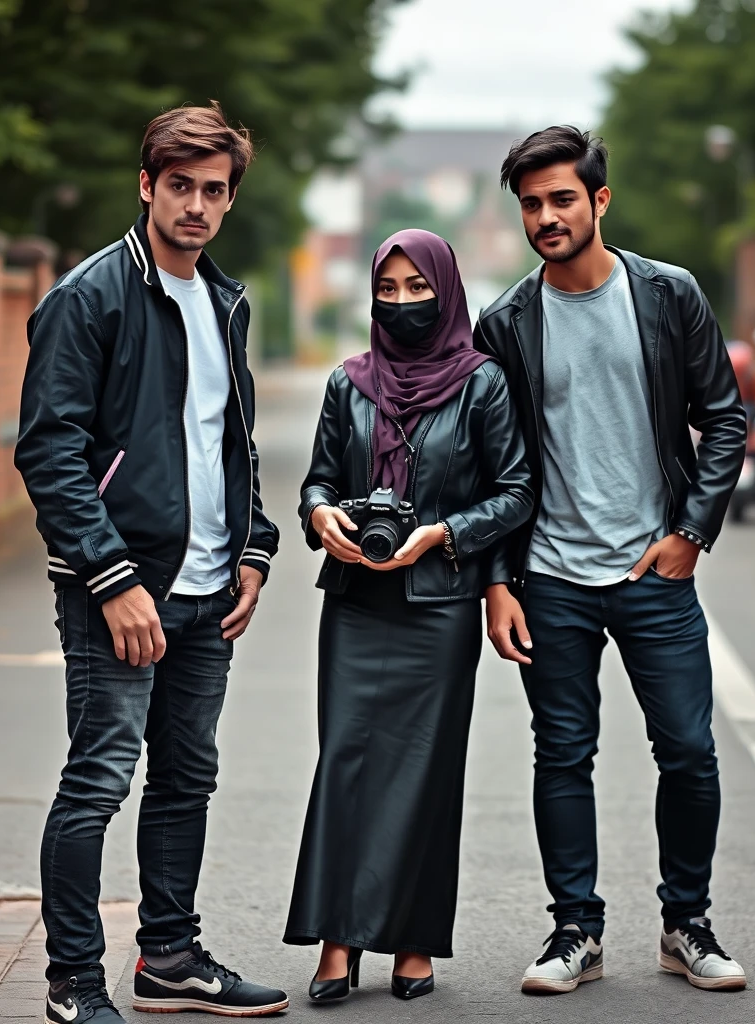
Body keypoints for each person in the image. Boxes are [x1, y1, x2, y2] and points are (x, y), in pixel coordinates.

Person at [15, 102, 287, 1022]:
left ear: (230, 198)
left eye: (215, 191)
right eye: (181, 186)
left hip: (209, 593)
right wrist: (111, 579)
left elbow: (229, 444)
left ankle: (168, 955)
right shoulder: (87, 299)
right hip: (118, 593)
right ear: (147, 185)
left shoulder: (226, 302)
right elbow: (49, 453)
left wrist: (252, 547)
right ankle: (73, 982)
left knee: (185, 777)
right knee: (97, 778)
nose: (197, 206)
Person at [473, 126, 749, 995]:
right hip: (549, 578)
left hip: (652, 575)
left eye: (562, 199)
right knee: (561, 755)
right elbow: (493, 466)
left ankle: (686, 924)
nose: (547, 217)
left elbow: (726, 420)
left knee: (690, 753)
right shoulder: (506, 323)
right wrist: (497, 581)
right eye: (531, 204)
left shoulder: (669, 296)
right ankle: (574, 931)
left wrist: (690, 534)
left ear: (599, 200)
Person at [284, 229, 533, 1002]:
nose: (401, 303)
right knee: (346, 764)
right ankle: (339, 937)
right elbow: (318, 480)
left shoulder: (482, 383)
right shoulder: (347, 384)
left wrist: (446, 532)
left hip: (442, 606)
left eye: (416, 288)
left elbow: (516, 490)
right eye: (386, 289)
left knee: (426, 772)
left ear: (446, 290)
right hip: (358, 602)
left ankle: (414, 940)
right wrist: (323, 517)